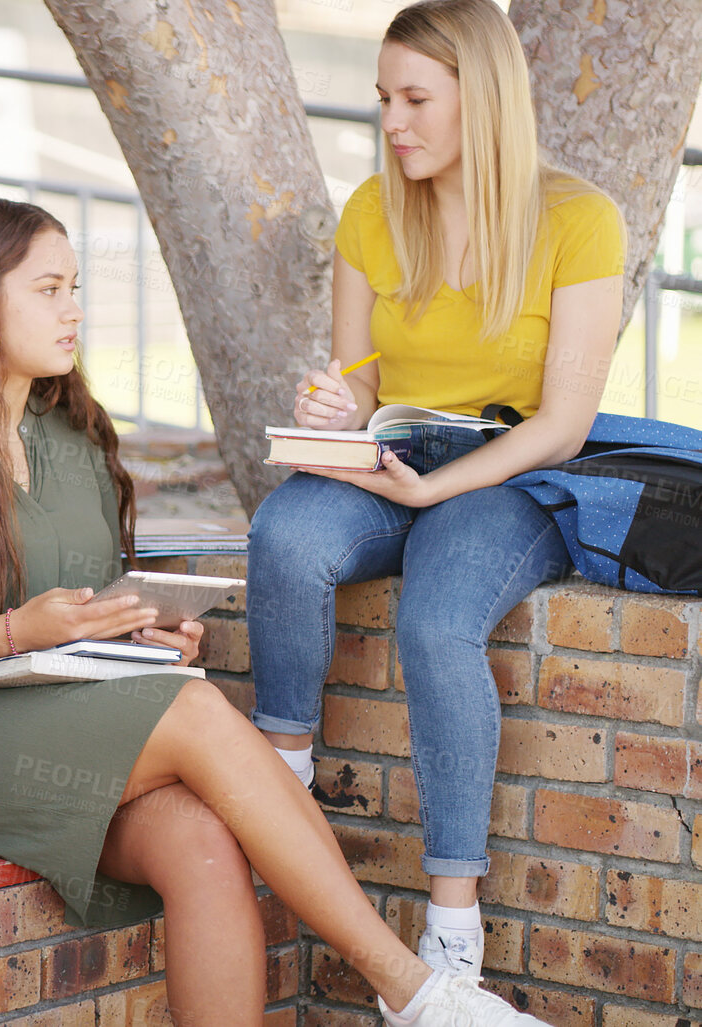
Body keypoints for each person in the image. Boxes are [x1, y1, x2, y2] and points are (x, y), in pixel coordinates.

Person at [0, 197, 550, 1025]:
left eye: (75, 287)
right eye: (47, 289)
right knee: (198, 710)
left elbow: (88, 603)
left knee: (202, 842)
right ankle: (411, 990)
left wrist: (141, 631)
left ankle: (413, 994)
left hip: (53, 718)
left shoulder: (72, 440)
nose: (73, 309)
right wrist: (14, 631)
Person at [246, 0, 623, 980]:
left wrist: (433, 494)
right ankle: (279, 788)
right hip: (397, 457)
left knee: (437, 621)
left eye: (415, 97)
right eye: (383, 98)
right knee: (286, 532)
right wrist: (339, 402)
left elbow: (563, 424)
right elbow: (364, 376)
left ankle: (453, 923)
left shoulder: (581, 223)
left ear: (482, 102)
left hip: (514, 473)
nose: (392, 121)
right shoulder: (374, 211)